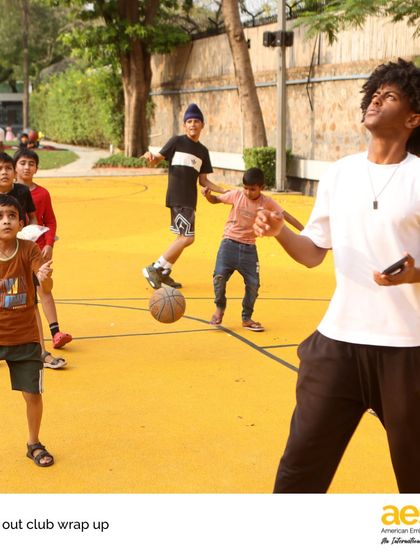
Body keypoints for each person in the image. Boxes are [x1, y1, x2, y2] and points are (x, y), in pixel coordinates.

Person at [254, 58, 420, 493]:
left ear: (413, 118)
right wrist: (279, 232)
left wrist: (413, 275)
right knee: (298, 472)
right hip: (337, 346)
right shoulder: (339, 173)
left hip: (407, 351)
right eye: (375, 94)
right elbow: (312, 254)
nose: (376, 100)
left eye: (391, 96)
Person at [204, 167, 303, 331]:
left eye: (252, 189)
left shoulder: (267, 202)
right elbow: (216, 200)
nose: (248, 192)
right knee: (219, 277)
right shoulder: (236, 195)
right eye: (245, 188)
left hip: (249, 248)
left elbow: (286, 216)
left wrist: (305, 230)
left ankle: (247, 318)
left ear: (261, 188)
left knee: (253, 284)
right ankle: (220, 307)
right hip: (228, 244)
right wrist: (208, 196)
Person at [141, 103, 225, 290]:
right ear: (184, 125)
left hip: (190, 200)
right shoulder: (176, 142)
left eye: (196, 121)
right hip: (177, 197)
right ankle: (154, 268)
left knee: (183, 237)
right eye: (189, 121)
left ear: (202, 125)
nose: (193, 124)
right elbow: (157, 160)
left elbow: (203, 181)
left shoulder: (203, 152)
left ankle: (164, 272)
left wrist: (222, 191)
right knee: (187, 238)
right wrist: (150, 156)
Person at [0, 192, 54, 467]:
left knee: (32, 393)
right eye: (0, 217)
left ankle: (34, 443)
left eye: (11, 216)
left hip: (25, 336)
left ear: (21, 223)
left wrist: (43, 278)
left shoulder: (30, 250)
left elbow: (45, 286)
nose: (6, 221)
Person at [14, 148, 72, 358]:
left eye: (31, 163)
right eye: (22, 163)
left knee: (43, 288)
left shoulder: (42, 193)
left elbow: (50, 221)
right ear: (15, 167)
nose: (27, 167)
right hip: (12, 251)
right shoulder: (10, 193)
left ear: (37, 168)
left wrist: (48, 244)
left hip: (36, 250)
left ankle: (55, 332)